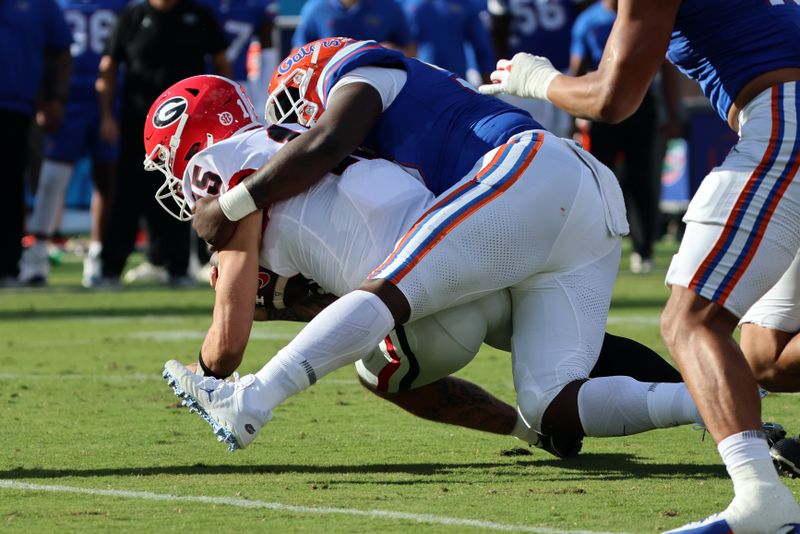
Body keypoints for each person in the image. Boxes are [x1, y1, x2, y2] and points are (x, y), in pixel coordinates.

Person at [149, 75, 704, 458]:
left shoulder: (219, 169)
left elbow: (227, 345)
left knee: (379, 366)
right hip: (475, 249)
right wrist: (294, 303)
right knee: (556, 377)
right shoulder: (301, 139)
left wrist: (203, 372)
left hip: (430, 297)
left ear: (188, 142)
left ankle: (252, 403)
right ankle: (709, 400)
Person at [478, 0, 800, 530]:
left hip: (785, 117)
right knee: (767, 355)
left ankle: (762, 502)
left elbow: (611, 99)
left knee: (691, 320)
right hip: (782, 110)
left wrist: (538, 79)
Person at [95, 0, 231, 287]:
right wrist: (106, 115)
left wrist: (222, 114)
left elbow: (220, 66)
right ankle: (109, 268)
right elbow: (108, 68)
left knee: (183, 195)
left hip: (189, 129)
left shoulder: (199, 15)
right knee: (127, 196)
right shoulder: (132, 17)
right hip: (139, 124)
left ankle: (177, 266)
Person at [18, 0, 129, 287]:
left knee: (106, 176)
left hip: (109, 98)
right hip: (68, 98)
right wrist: (48, 96)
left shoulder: (121, 5)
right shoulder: (58, 5)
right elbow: (47, 49)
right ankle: (37, 254)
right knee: (53, 175)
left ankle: (97, 254)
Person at [568, 0, 661, 274]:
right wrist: (574, 110)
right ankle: (597, 246)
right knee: (600, 178)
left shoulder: (646, 11)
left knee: (640, 177)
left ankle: (644, 249)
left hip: (641, 99)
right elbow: (578, 66)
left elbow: (663, 64)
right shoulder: (589, 20)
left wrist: (674, 111)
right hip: (602, 101)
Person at [0, 0, 72, 286]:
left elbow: (61, 51)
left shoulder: (40, 5)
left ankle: (7, 265)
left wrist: (55, 97)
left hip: (15, 106)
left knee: (8, 186)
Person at [488, 0, 587, 137]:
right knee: (530, 134)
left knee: (564, 135)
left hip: (563, 69)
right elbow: (498, 30)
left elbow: (584, 15)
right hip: (525, 74)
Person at [401, 0, 495, 83]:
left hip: (456, 83)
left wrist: (489, 88)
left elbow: (482, 48)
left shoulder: (465, 4)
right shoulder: (405, 4)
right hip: (417, 83)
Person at [292, 0, 415, 57]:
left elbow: (411, 49)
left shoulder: (389, 7)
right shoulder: (315, 9)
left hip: (381, 83)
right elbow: (297, 53)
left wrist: (394, 51)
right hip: (329, 84)